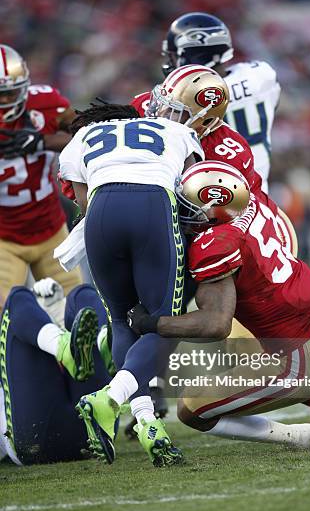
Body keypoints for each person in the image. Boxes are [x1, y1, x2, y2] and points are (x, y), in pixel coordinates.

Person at [127, 161, 310, 447]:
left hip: (302, 359)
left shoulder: (213, 244)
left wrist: (151, 324)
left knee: (190, 408)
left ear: (213, 209)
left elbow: (215, 324)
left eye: (188, 206)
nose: (181, 213)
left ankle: (299, 437)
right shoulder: (254, 205)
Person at [58, 94, 212, 467]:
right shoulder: (173, 129)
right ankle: (109, 398)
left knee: (121, 319)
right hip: (151, 207)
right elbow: (194, 189)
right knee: (163, 324)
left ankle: (146, 422)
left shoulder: (83, 139)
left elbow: (81, 201)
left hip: (100, 213)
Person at [160, 12, 281, 193]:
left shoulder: (186, 97)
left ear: (191, 56)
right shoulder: (260, 75)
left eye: (173, 56)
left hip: (213, 195)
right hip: (259, 191)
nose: (170, 62)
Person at [0, 45, 82, 307]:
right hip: (4, 236)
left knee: (79, 308)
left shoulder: (45, 104)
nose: (5, 102)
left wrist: (42, 141)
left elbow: (87, 133)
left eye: (10, 93)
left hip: (51, 228)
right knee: (5, 314)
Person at [0, 279, 113, 465]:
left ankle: (70, 344)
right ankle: (106, 343)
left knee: (77, 295)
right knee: (18, 298)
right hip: (96, 431)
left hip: (38, 438)